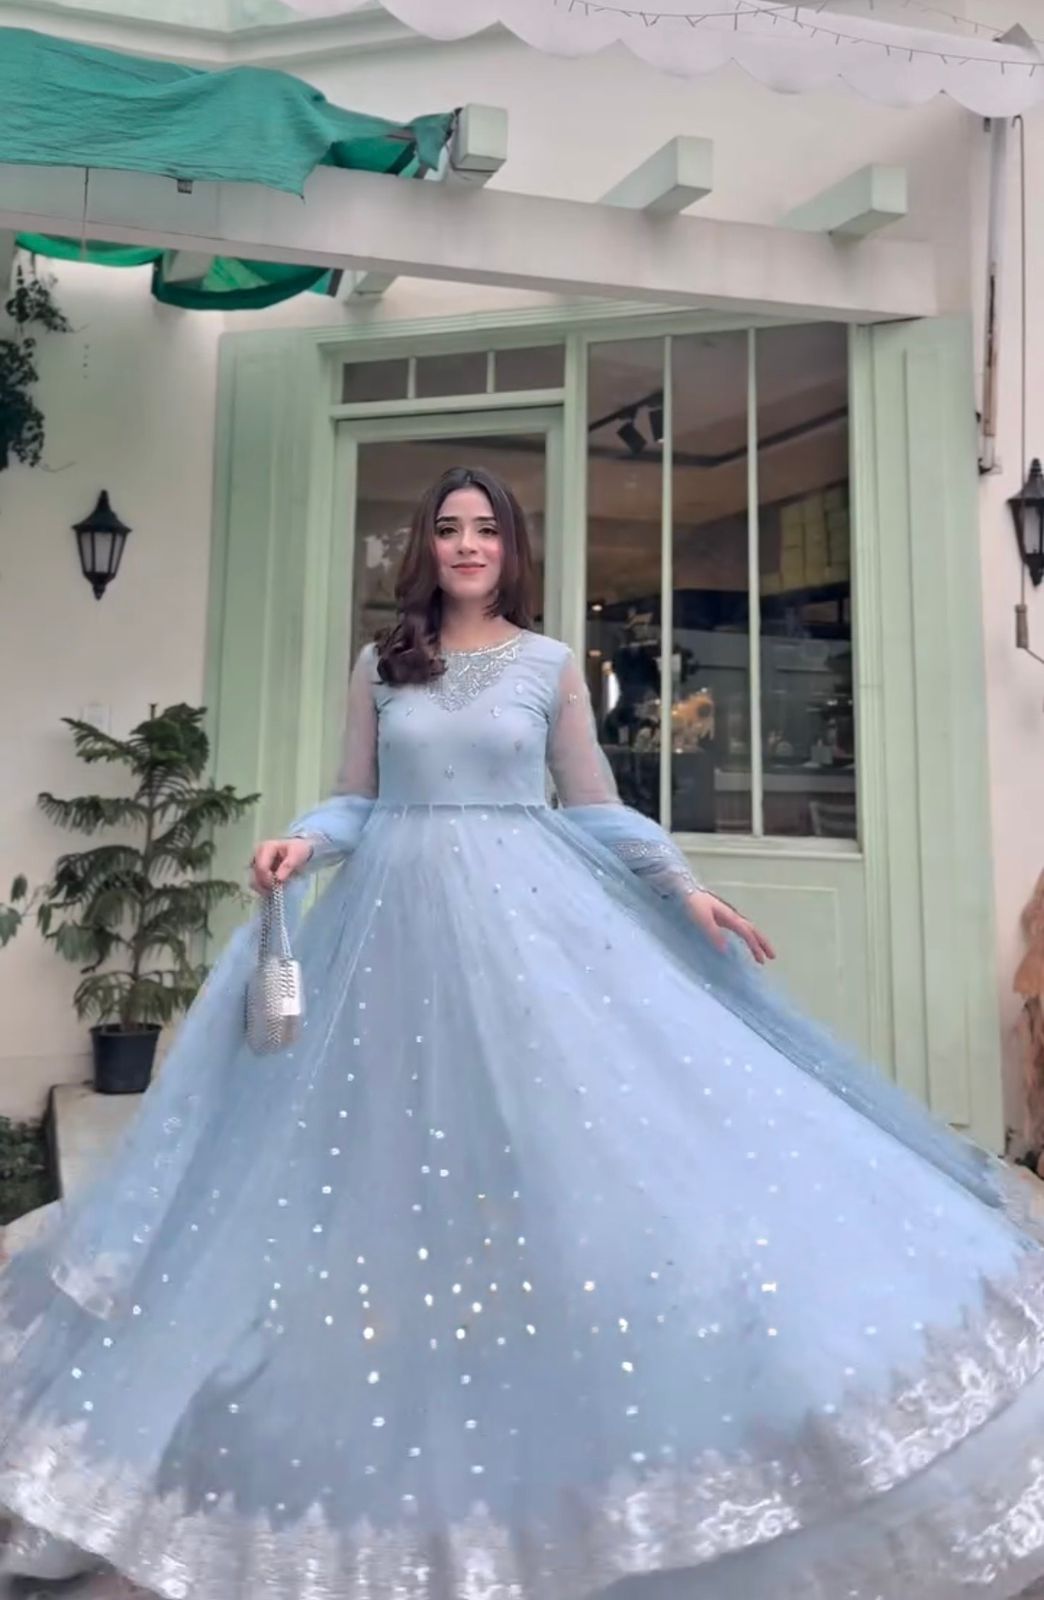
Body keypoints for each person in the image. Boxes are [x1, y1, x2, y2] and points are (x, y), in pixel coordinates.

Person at [2, 467, 1044, 1600]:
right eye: (448, 528)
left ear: (511, 547)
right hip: (392, 929)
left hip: (529, 922)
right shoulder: (383, 663)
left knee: (559, 1139)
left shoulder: (548, 665)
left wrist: (682, 887)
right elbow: (354, 797)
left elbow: (591, 801)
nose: (467, 544)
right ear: (426, 547)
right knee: (383, 1155)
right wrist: (302, 841)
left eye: (485, 529)